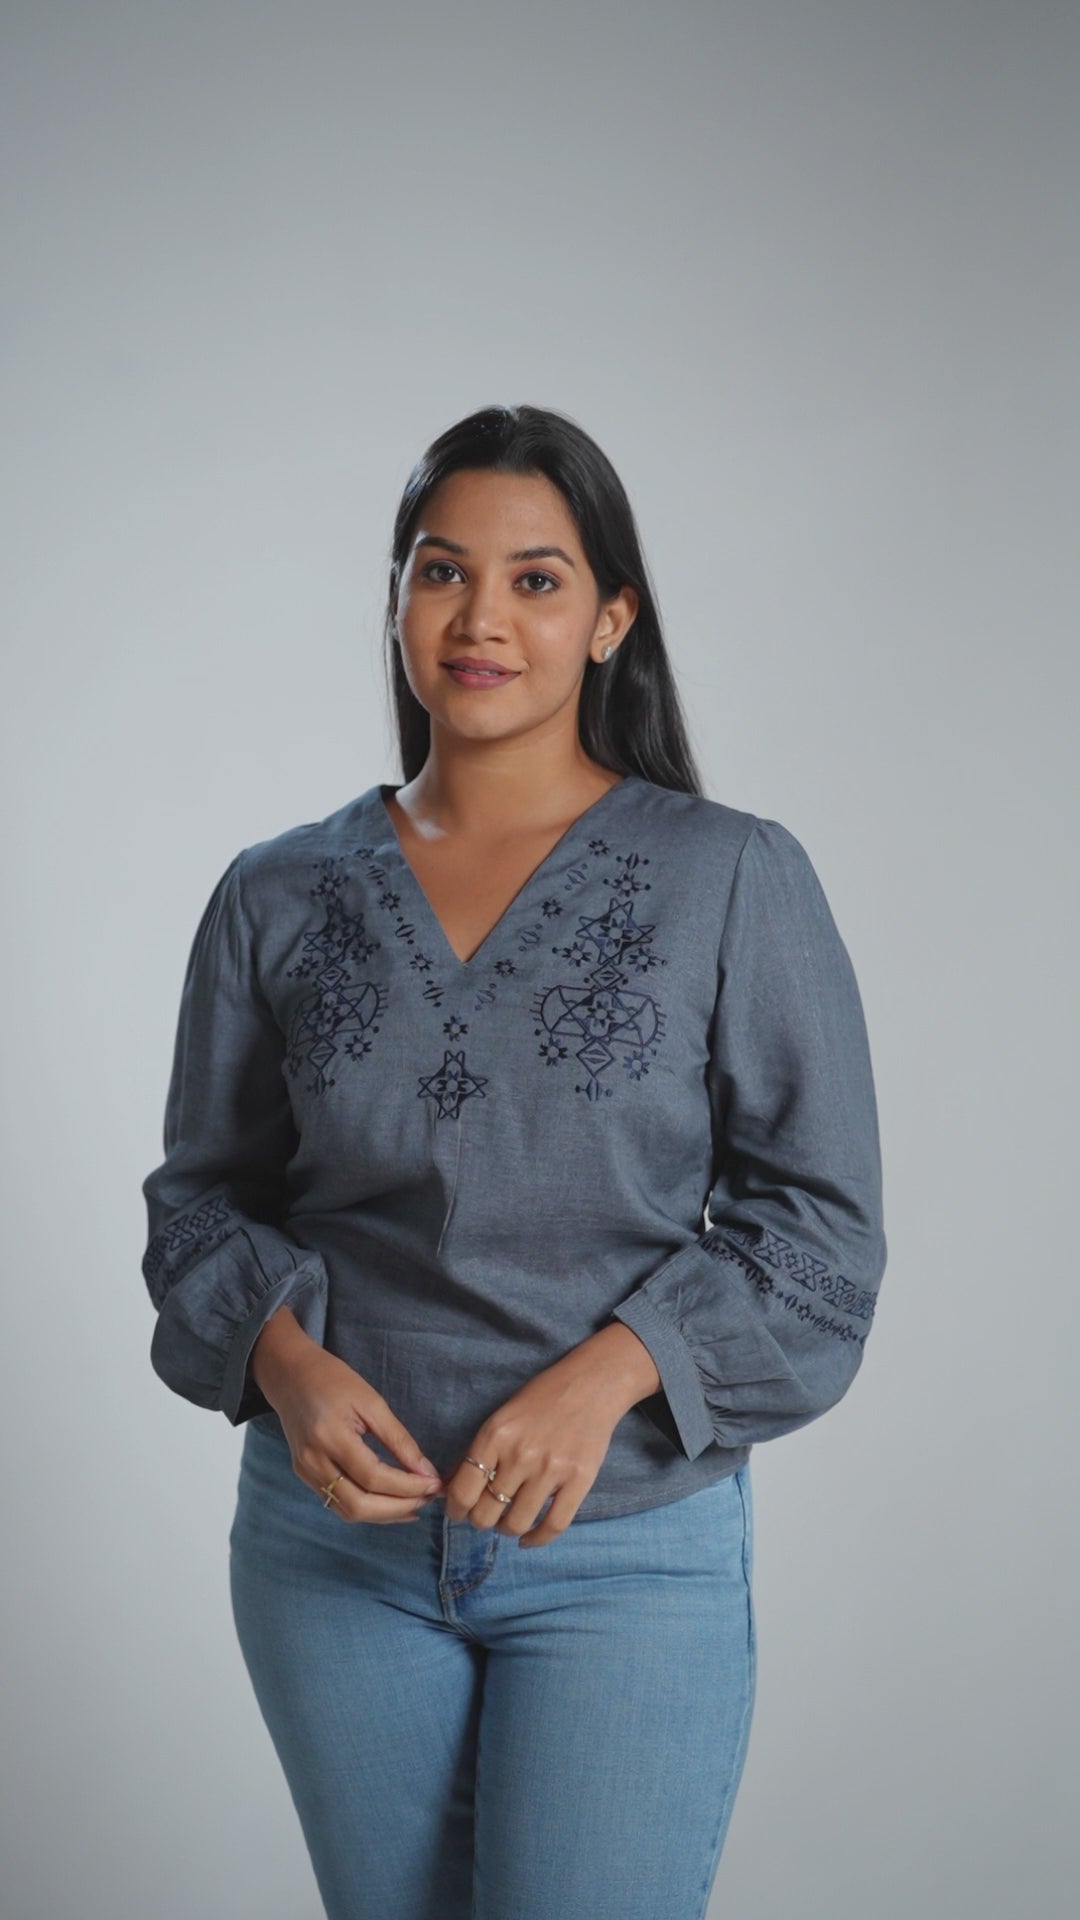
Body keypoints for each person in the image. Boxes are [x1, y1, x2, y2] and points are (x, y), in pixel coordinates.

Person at [140, 402, 887, 1920]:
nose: (481, 618)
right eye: (442, 571)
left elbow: (821, 1231)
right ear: (396, 599)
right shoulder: (275, 893)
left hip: (626, 1551)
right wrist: (284, 1364)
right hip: (331, 1555)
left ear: (611, 619)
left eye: (537, 580)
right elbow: (200, 1201)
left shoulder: (731, 876)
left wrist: (611, 1372)